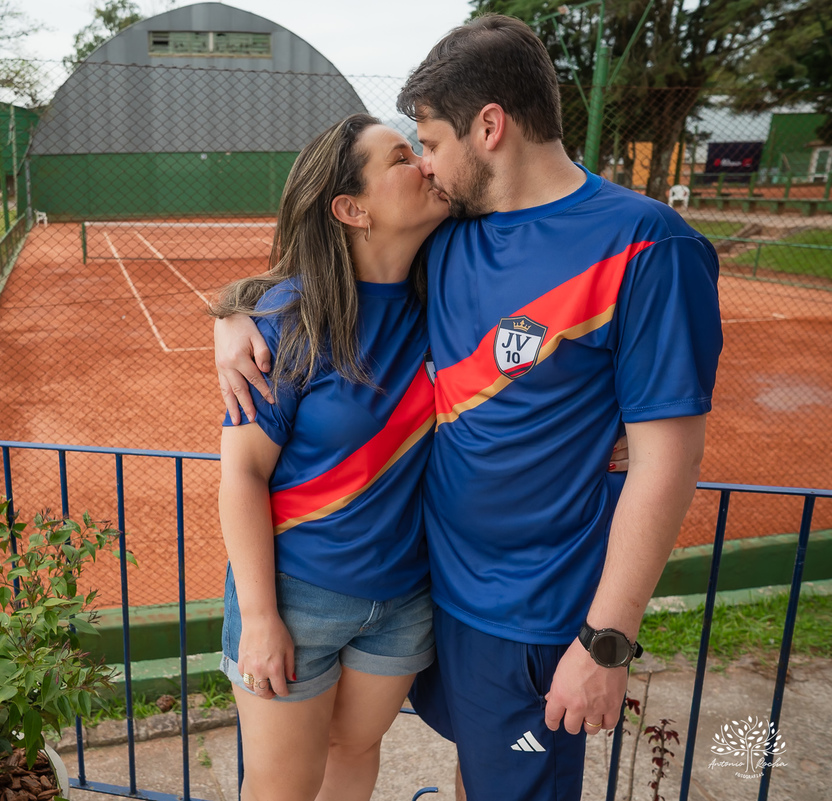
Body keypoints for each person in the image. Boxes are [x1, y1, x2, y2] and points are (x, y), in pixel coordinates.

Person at [213, 14, 722, 801]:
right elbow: (321, 275)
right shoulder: (448, 238)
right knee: (460, 769)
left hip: (528, 611)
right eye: (409, 152)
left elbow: (669, 456)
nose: (424, 163)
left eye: (427, 141)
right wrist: (231, 316)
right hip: (429, 590)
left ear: (489, 127)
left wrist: (606, 640)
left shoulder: (644, 246)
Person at [215, 113, 447, 801]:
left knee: (354, 753)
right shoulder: (288, 322)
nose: (424, 163)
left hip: (405, 597)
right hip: (296, 597)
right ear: (352, 209)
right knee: (281, 788)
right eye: (401, 157)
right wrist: (260, 617)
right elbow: (242, 473)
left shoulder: (449, 296)